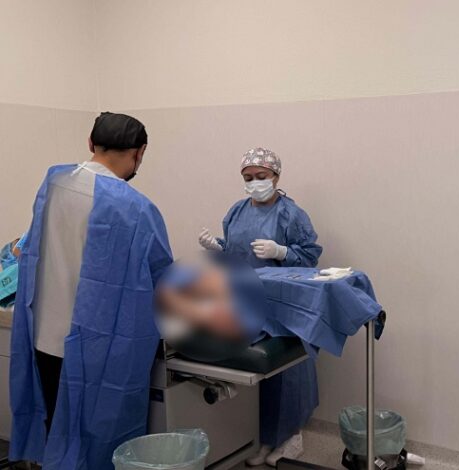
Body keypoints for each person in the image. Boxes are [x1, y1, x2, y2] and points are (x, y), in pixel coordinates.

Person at [10, 112, 173, 469]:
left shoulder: (53, 183)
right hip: (101, 352)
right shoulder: (136, 208)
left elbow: (28, 247)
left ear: (90, 143)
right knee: (99, 444)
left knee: (56, 431)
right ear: (140, 152)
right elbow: (164, 279)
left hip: (45, 340)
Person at [198, 147, 322, 466]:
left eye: (261, 176)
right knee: (260, 375)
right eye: (248, 177)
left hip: (284, 305)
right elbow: (233, 258)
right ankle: (265, 438)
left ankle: (291, 437)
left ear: (276, 176)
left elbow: (310, 257)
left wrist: (282, 252)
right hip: (248, 302)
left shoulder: (291, 214)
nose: (255, 183)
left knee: (289, 375)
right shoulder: (236, 212)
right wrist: (217, 249)